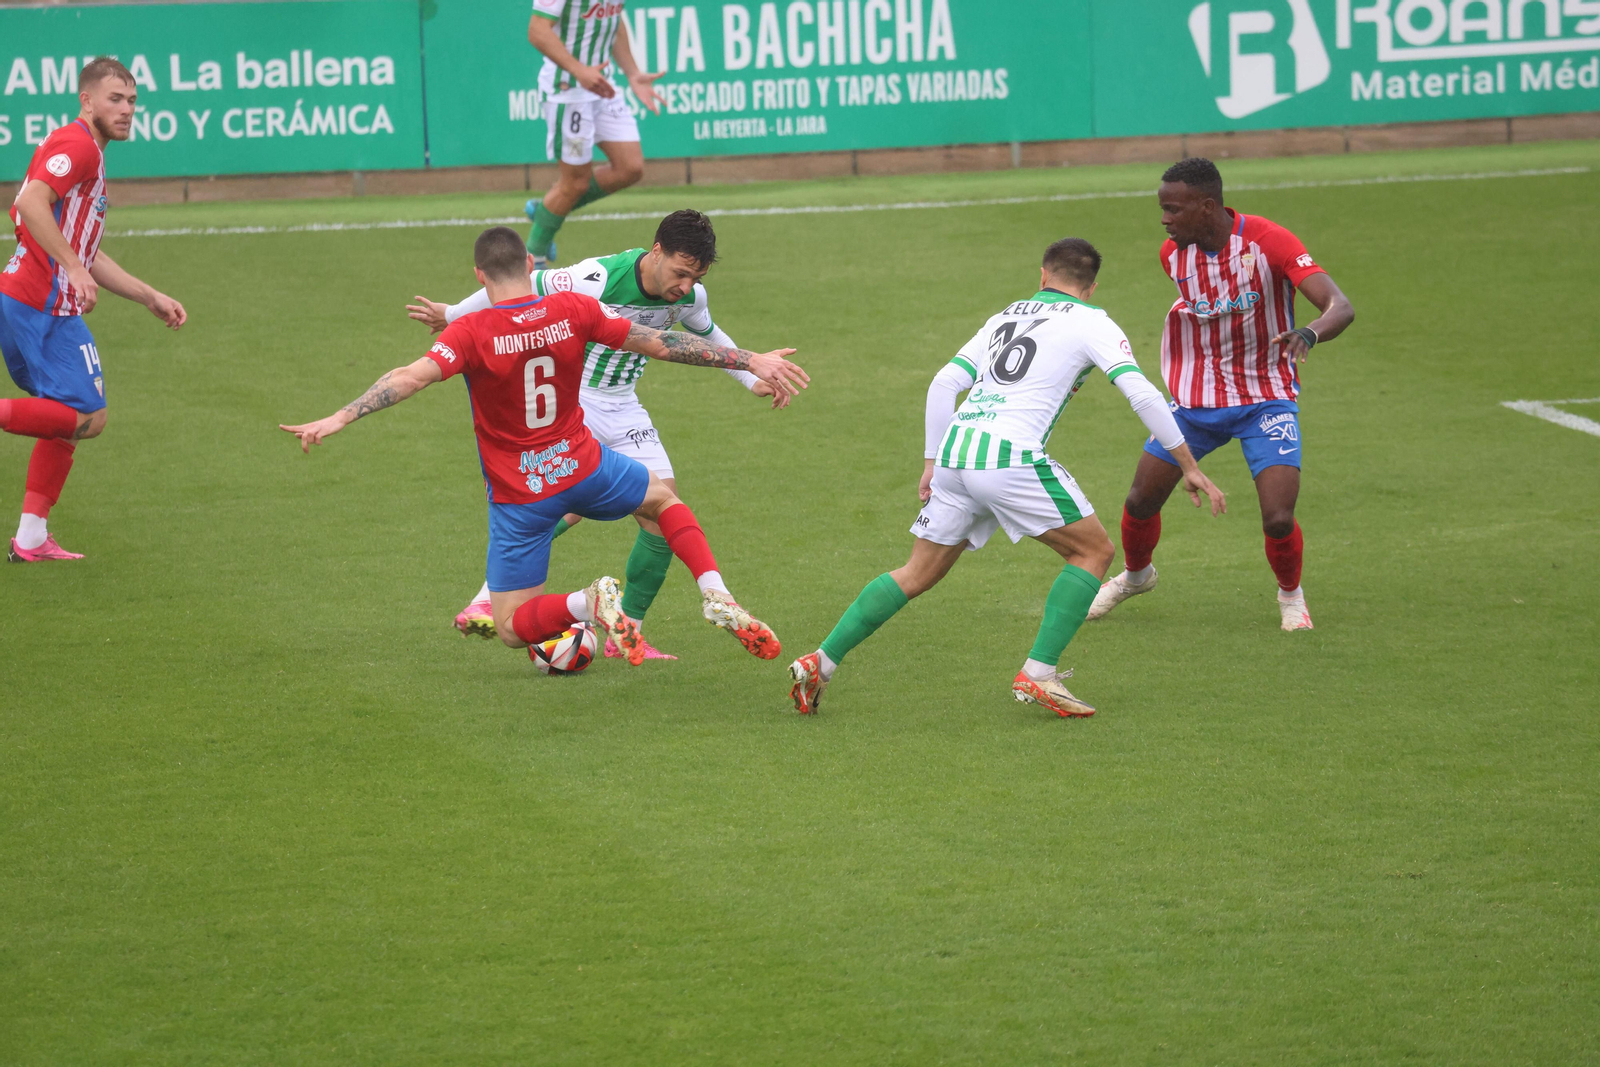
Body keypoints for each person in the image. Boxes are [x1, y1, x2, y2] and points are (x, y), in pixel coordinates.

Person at [282, 227, 809, 668]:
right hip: (581, 462)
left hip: (522, 491)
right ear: (531, 263)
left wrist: (340, 416)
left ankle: (587, 602)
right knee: (664, 502)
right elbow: (662, 343)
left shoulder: (471, 333)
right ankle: (714, 591)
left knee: (513, 629)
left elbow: (408, 378)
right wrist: (747, 360)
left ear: (480, 276)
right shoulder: (573, 308)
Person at [787, 239, 1225, 717]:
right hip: (1007, 458)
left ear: (1043, 276)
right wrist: (1188, 464)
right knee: (1093, 551)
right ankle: (1039, 673)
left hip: (956, 452)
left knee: (916, 572)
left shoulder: (1005, 316)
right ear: (1091, 287)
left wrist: (932, 461)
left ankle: (821, 661)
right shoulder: (1093, 322)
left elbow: (944, 383)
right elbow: (1141, 393)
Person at [408, 210, 787, 658]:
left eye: (695, 278)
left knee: (661, 511)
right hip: (576, 400)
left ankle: (629, 633)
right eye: (680, 273)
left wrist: (750, 378)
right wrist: (452, 314)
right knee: (568, 503)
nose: (686, 286)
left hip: (624, 406)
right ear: (657, 251)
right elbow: (522, 282)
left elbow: (708, 334)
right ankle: (489, 598)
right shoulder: (594, 278)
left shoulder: (689, 297)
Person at [1088, 158, 1355, 632]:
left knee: (1277, 517)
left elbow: (1340, 306)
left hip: (1266, 398)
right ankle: (1136, 577)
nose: (1164, 220)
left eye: (1173, 210)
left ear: (1207, 207)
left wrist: (1309, 333)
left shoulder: (1270, 242)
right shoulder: (1173, 256)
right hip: (1196, 402)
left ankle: (1291, 596)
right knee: (1140, 501)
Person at [1, 56, 186, 562]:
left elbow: (83, 248)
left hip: (29, 300)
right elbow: (30, 204)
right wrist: (72, 269)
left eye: (132, 101)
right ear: (87, 100)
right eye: (115, 99)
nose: (127, 110)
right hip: (43, 305)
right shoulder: (78, 145)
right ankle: (32, 535)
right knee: (89, 415)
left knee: (66, 414)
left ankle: (31, 538)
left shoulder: (83, 148)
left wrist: (148, 295)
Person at [524, 0, 662, 268]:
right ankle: (532, 261)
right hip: (568, 91)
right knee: (575, 182)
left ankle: (546, 211)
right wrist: (579, 70)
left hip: (601, 86)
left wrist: (633, 73)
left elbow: (613, 20)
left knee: (630, 167)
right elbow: (537, 29)